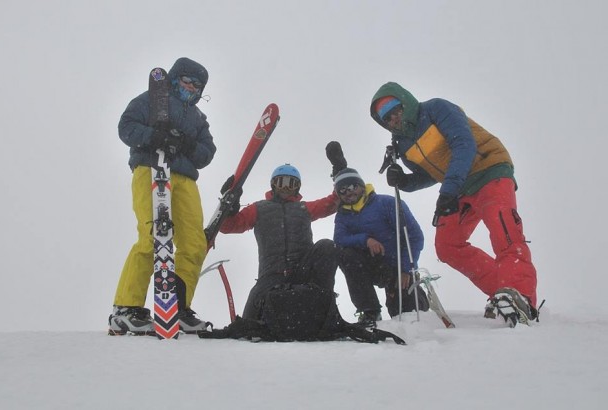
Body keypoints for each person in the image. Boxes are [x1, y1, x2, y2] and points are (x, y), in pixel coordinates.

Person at [370, 82, 538, 325]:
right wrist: (405, 181)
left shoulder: (436, 109)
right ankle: (504, 295)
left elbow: (464, 145)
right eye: (385, 117)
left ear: (405, 101)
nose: (393, 117)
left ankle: (521, 297)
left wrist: (448, 191)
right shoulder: (402, 143)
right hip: (459, 188)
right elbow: (428, 173)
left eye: (395, 108)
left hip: (489, 169)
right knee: (447, 245)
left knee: (503, 229)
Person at [109, 57, 217, 335]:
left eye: (197, 86)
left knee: (194, 243)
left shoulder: (197, 118)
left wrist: (187, 143)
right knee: (152, 237)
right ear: (174, 78)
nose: (191, 88)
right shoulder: (152, 100)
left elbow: (207, 153)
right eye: (187, 81)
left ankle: (177, 307)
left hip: (184, 179)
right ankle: (126, 307)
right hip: (151, 169)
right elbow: (126, 126)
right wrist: (155, 137)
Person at [219, 164, 339, 320]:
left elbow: (332, 203)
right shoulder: (259, 208)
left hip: (302, 271)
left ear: (297, 187)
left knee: (327, 246)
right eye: (282, 182)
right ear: (273, 185)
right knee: (250, 320)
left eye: (292, 184)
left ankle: (322, 299)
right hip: (271, 274)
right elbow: (228, 226)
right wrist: (229, 208)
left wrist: (339, 174)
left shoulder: (303, 208)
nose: (286, 188)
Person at [332, 167, 428, 328]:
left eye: (352, 186)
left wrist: (406, 269)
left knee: (406, 315)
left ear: (361, 186)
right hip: (371, 264)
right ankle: (370, 310)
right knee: (345, 254)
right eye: (342, 190)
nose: (348, 192)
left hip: (397, 265)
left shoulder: (387, 203)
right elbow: (339, 239)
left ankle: (417, 296)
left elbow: (414, 236)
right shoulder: (342, 215)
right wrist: (366, 240)